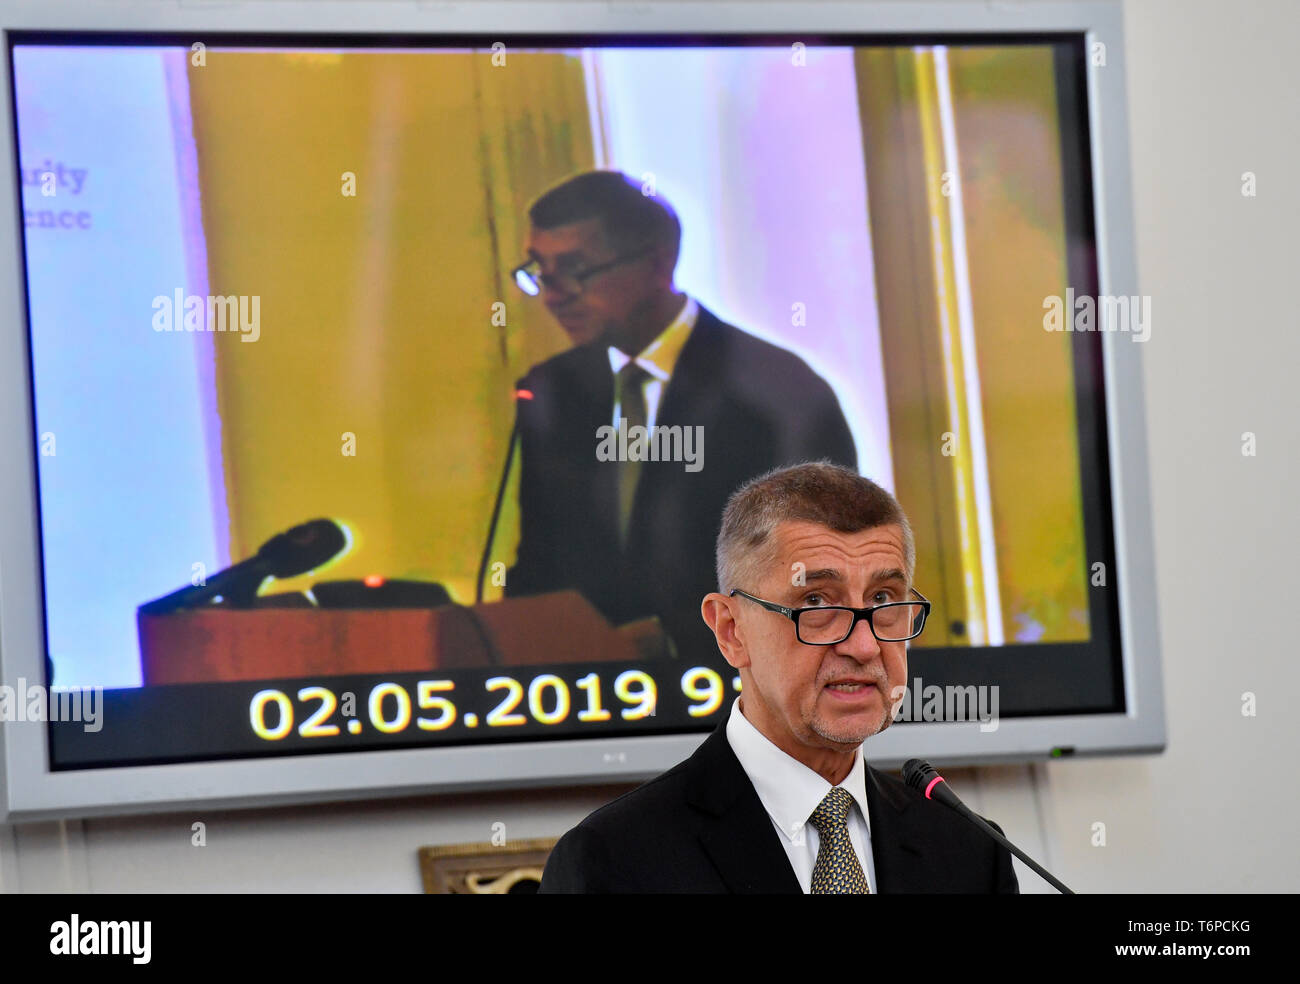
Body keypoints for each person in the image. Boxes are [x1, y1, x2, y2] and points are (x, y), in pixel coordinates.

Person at [538, 461, 1019, 893]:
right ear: (731, 631)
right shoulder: (614, 862)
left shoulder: (971, 851)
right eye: (815, 603)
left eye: (884, 600)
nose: (865, 645)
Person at [504, 171, 857, 664]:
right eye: (541, 271)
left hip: (732, 702)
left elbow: (818, 583)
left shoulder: (778, 395)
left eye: (575, 269)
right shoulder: (549, 390)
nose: (552, 295)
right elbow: (538, 568)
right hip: (579, 704)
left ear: (657, 263)